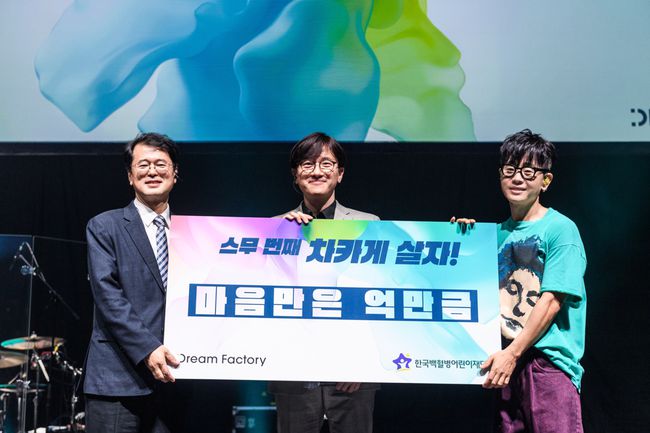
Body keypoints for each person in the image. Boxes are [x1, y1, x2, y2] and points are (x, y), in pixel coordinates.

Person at [269, 132, 379, 433]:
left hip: (352, 372)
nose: (317, 171)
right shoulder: (274, 227)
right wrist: (284, 236)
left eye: (326, 164)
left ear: (340, 173)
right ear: (296, 175)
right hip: (293, 369)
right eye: (307, 164)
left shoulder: (369, 224)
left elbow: (379, 298)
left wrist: (363, 360)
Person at [481, 129, 587, 433]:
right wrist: (461, 240)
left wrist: (513, 354)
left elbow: (552, 300)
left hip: (547, 363)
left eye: (529, 171)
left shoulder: (560, 229)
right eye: (510, 169)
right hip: (504, 362)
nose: (517, 178)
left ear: (545, 180)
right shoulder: (493, 234)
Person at [84, 132, 181, 433]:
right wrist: (148, 348)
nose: (152, 171)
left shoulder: (194, 232)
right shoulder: (105, 226)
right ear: (130, 176)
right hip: (118, 378)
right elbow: (108, 296)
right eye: (143, 165)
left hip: (176, 379)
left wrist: (286, 226)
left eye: (160, 164)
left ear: (175, 174)